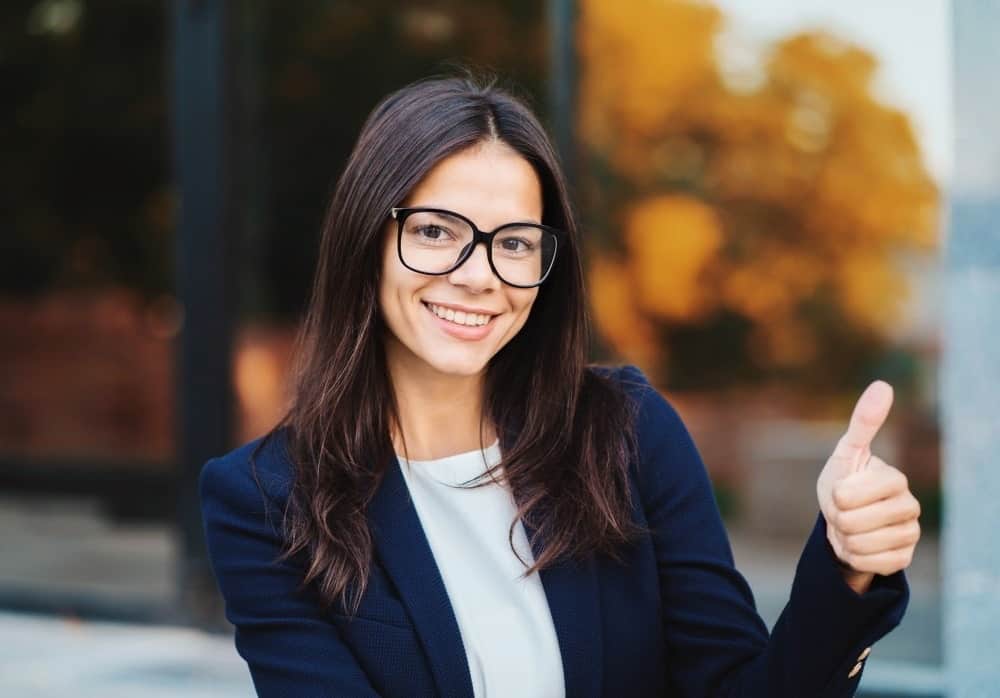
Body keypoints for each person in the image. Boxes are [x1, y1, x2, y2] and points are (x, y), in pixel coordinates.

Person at [199, 74, 921, 698]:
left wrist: (850, 568)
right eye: (435, 231)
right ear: (369, 238)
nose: (478, 274)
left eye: (514, 242)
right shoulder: (264, 501)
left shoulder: (626, 434)